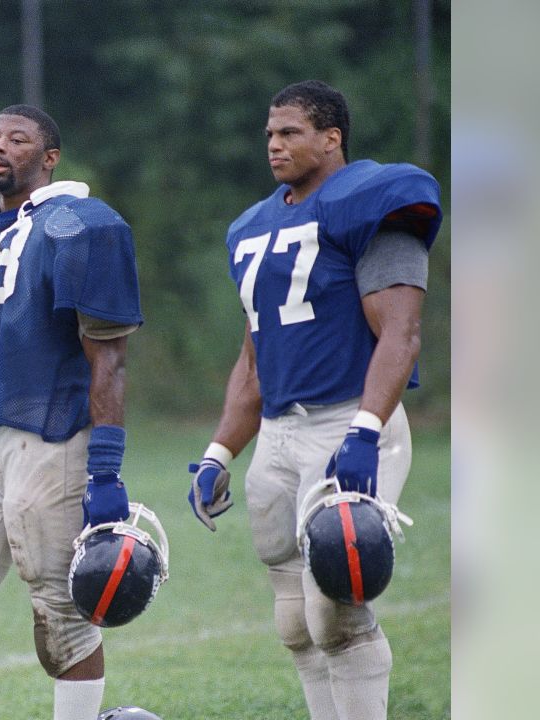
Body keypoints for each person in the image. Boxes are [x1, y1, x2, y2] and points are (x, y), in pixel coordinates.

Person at [186, 80, 442, 719]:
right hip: (278, 431)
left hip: (347, 422)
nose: (274, 145)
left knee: (338, 610)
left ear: (332, 138)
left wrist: (364, 430)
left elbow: (401, 333)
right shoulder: (252, 227)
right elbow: (254, 360)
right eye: (270, 133)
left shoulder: (369, 202)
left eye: (290, 132)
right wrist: (221, 450)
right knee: (296, 621)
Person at [0, 105, 143, 720]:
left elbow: (108, 357)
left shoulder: (79, 226)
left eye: (17, 138)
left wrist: (106, 468)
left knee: (61, 611)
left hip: (55, 435)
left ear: (49, 157)